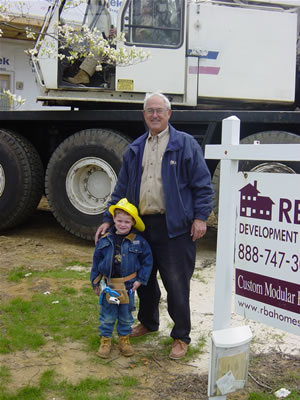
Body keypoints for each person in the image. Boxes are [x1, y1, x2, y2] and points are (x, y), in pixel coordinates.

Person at [95, 91, 213, 359]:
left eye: (160, 110)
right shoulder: (136, 148)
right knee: (142, 280)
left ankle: (181, 336)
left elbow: (202, 185)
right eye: (150, 111)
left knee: (176, 283)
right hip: (142, 228)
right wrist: (107, 219)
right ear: (144, 115)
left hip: (176, 228)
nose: (155, 115)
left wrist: (200, 217)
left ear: (169, 114)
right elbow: (122, 188)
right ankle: (149, 322)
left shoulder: (185, 144)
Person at [91, 198, 153, 359]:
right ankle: (105, 341)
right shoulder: (105, 240)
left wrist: (140, 280)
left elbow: (148, 261)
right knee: (108, 315)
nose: (123, 224)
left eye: (127, 221)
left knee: (126, 315)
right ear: (114, 219)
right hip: (109, 286)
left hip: (128, 286)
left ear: (133, 222)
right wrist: (95, 283)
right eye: (119, 220)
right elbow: (96, 262)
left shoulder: (139, 242)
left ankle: (124, 340)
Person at [66, 0, 115, 85]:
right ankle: (74, 70)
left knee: (100, 46)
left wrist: (117, 33)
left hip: (118, 46)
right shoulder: (99, 7)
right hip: (109, 40)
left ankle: (84, 74)